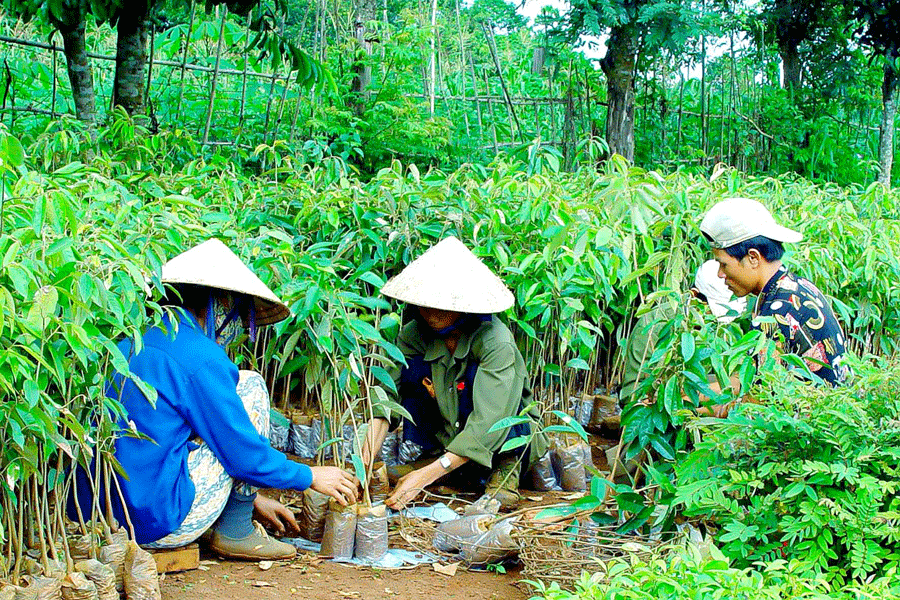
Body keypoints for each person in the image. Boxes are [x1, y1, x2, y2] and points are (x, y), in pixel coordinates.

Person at [71, 239, 358, 560]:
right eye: (240, 312)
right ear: (220, 304)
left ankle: (234, 514)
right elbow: (242, 454)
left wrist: (253, 498)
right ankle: (236, 531)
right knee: (250, 386)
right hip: (153, 525)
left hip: (96, 518)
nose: (239, 325)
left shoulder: (129, 339)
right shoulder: (201, 357)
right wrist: (310, 476)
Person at [360, 237, 546, 510]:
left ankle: (505, 471)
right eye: (425, 302)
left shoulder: (496, 342)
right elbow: (387, 395)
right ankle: (445, 462)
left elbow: (489, 420)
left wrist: (424, 477)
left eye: (443, 304)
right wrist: (365, 458)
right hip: (449, 429)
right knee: (413, 375)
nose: (431, 312)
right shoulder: (413, 335)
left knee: (502, 413)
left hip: (504, 437)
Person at [603, 260, 747, 479]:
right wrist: (695, 407)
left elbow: (740, 382)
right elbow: (635, 398)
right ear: (693, 296)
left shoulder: (732, 328)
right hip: (665, 425)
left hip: (713, 427)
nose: (717, 323)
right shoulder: (656, 326)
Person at [700, 197, 849, 386]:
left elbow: (757, 399)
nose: (721, 274)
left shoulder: (776, 314)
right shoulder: (796, 286)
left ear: (753, 257)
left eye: (724, 264)